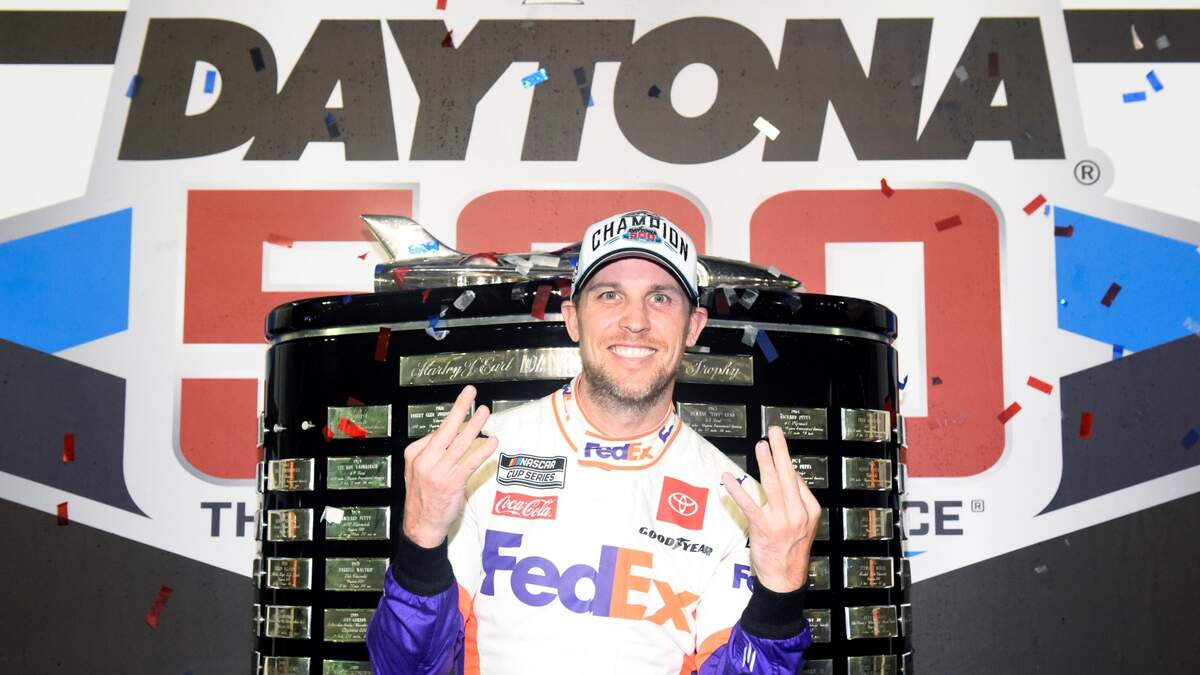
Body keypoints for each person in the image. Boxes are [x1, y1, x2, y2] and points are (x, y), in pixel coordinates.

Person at [366, 210, 822, 674]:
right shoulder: (478, 458)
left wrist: (778, 602)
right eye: (609, 295)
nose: (635, 321)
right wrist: (421, 541)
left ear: (693, 326)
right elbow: (405, 669)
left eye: (660, 297)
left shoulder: (739, 503)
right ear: (573, 319)